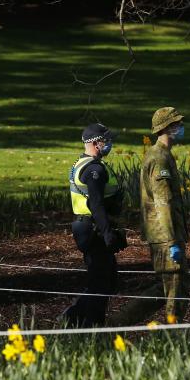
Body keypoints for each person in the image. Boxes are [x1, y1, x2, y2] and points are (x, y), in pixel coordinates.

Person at [108, 107, 190, 326]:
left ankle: (118, 322)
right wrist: (172, 240)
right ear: (167, 128)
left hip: (164, 234)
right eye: (177, 124)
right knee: (175, 289)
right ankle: (173, 336)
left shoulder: (161, 155)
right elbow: (163, 203)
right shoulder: (159, 159)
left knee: (165, 288)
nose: (181, 128)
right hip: (165, 236)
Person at [62, 123, 127, 327]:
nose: (110, 144)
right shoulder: (94, 169)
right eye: (106, 140)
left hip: (89, 228)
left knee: (106, 280)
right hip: (94, 231)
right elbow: (96, 203)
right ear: (96, 143)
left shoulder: (82, 163)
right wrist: (108, 233)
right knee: (100, 282)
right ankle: (90, 327)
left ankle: (73, 316)